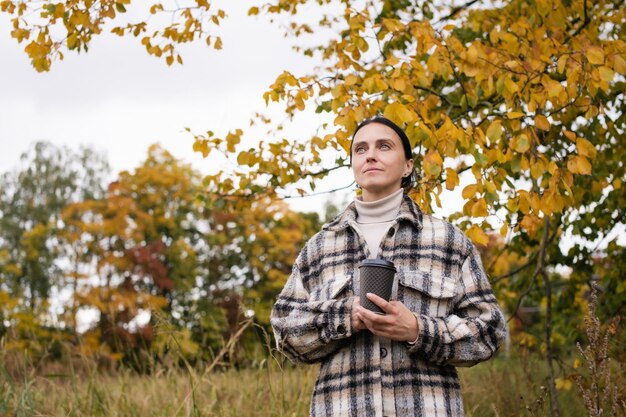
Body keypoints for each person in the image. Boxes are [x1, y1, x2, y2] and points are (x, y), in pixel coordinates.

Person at [270, 116, 507, 417]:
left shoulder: (448, 241)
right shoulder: (319, 248)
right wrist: (345, 317)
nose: (370, 154)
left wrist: (419, 330)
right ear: (354, 165)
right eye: (360, 149)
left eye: (384, 146)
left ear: (408, 166)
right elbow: (285, 331)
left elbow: (489, 332)